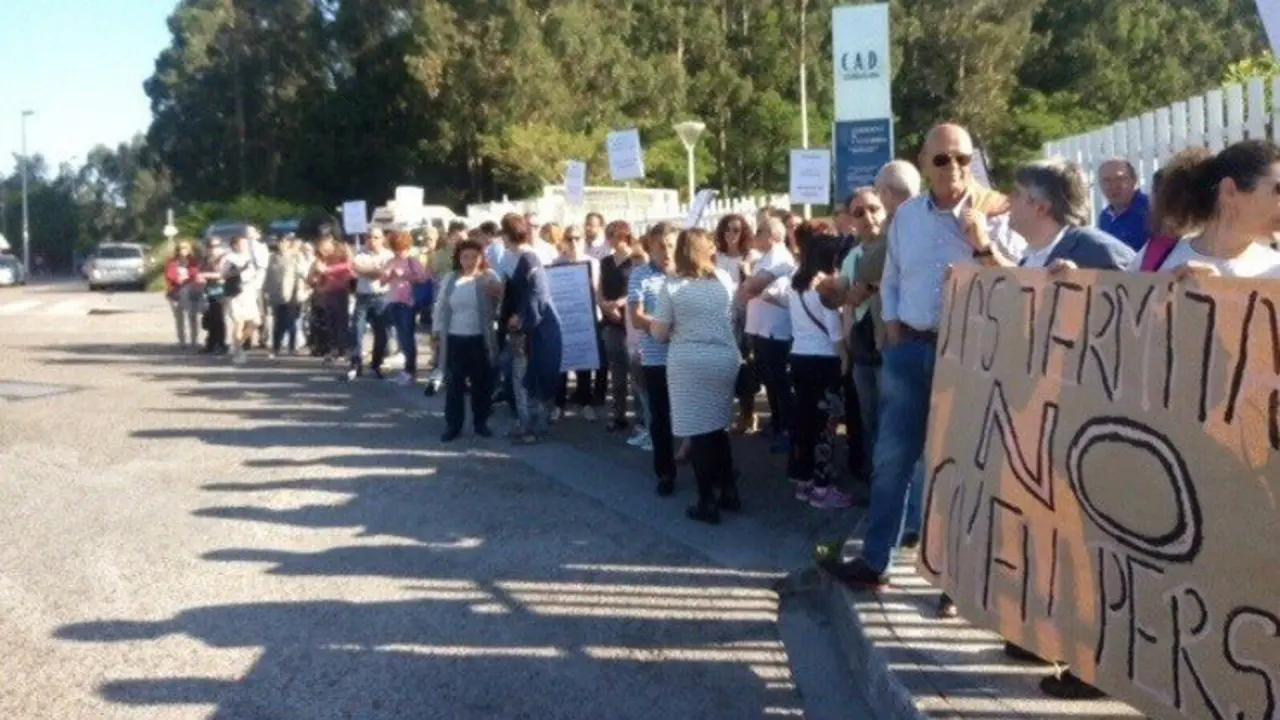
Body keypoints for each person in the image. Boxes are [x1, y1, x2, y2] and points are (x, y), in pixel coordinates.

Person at [829, 123, 1025, 590]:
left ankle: (955, 580)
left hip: (969, 356)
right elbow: (893, 276)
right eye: (942, 159)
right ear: (924, 162)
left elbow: (1020, 282)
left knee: (962, 466)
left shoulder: (996, 213)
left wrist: (981, 242)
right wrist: (894, 329)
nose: (954, 167)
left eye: (962, 157)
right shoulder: (909, 217)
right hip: (909, 349)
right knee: (893, 458)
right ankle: (877, 562)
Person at [649, 228, 742, 524]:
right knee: (717, 428)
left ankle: (706, 501)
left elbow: (660, 332)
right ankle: (729, 491)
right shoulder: (723, 280)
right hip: (724, 358)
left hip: (689, 362)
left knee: (700, 433)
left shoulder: (673, 286)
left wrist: (662, 325)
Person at [771, 227, 854, 509]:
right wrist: (845, 357)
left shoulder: (797, 286)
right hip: (824, 361)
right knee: (824, 427)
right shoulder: (826, 288)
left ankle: (803, 481)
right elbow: (834, 332)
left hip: (799, 357)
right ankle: (822, 487)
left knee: (803, 423)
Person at [1127, 140, 1280, 278]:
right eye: (1278, 190)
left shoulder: (1274, 271)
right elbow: (1117, 306)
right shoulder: (1156, 255)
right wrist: (1160, 290)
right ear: (1229, 191)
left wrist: (1223, 296)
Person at [499, 213, 564, 444]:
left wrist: (522, 318)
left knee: (526, 376)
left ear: (507, 234)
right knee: (519, 375)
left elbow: (539, 292)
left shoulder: (528, 257)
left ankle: (533, 428)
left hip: (533, 329)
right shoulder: (516, 256)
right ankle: (526, 424)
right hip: (525, 327)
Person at [738, 216, 797, 454]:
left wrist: (752, 286)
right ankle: (777, 422)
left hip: (776, 331)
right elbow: (751, 289)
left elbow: (762, 291)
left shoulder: (781, 259)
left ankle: (787, 429)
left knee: (780, 383)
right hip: (762, 329)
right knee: (770, 381)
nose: (755, 235)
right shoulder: (765, 258)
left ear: (772, 234)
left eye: (759, 231)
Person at [434, 238, 501, 441]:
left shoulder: (489, 277)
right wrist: (436, 332)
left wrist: (497, 295)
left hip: (481, 338)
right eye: (465, 257)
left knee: (482, 384)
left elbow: (501, 304)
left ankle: (481, 422)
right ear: (458, 258)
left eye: (474, 256)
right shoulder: (451, 278)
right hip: (455, 338)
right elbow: (440, 306)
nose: (470, 261)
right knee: (454, 384)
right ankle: (453, 425)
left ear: (482, 258)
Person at [629, 223, 680, 495]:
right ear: (650, 246)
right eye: (661, 246)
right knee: (660, 417)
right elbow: (636, 317)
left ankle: (707, 468)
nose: (667, 252)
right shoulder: (640, 275)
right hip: (656, 359)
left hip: (685, 358)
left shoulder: (687, 274)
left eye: (671, 245)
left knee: (692, 415)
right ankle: (665, 472)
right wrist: (664, 329)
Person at [552, 224, 603, 421]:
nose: (573, 242)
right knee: (562, 364)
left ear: (583, 240)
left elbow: (598, 291)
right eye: (570, 238)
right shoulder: (555, 264)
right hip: (563, 320)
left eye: (577, 238)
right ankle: (558, 404)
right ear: (563, 241)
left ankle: (586, 403)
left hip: (587, 318)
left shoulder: (593, 263)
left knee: (585, 362)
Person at [713, 213, 758, 435]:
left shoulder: (750, 257)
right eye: (726, 230)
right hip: (722, 317)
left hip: (746, 316)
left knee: (745, 366)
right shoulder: (715, 257)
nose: (730, 234)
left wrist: (747, 268)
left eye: (736, 230)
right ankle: (723, 415)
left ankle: (748, 413)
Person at [598, 220, 638, 433]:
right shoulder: (605, 262)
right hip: (611, 321)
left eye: (619, 234)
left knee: (636, 371)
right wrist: (605, 306)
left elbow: (640, 287)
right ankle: (618, 414)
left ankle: (641, 418)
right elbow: (599, 289)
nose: (615, 239)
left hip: (632, 319)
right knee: (617, 371)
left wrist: (619, 303)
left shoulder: (636, 260)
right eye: (611, 234)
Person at [381, 231, 429, 386]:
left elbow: (422, 278)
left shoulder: (412, 260)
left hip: (408, 303)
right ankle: (407, 369)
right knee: (401, 337)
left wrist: (404, 275)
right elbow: (382, 282)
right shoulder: (390, 261)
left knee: (407, 337)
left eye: (401, 248)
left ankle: (410, 370)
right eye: (396, 248)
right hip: (393, 301)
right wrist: (390, 276)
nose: (399, 251)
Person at [349, 228, 394, 380]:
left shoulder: (389, 255)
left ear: (382, 239)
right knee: (357, 330)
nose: (372, 240)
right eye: (369, 237)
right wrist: (375, 270)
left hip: (382, 297)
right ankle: (355, 363)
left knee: (382, 333)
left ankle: (376, 364)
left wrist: (368, 270)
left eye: (375, 237)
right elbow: (356, 269)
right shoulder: (360, 253)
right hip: (363, 297)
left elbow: (384, 273)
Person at [308, 237, 355, 365]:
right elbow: (312, 279)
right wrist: (316, 276)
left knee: (341, 322)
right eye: (321, 249)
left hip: (340, 292)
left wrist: (327, 270)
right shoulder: (321, 260)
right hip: (327, 294)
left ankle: (344, 349)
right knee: (330, 322)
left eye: (324, 248)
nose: (322, 251)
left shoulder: (342, 255)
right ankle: (333, 349)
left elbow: (349, 267)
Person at [263, 235, 311, 357]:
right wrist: (266, 291)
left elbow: (302, 273)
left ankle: (292, 347)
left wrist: (304, 288)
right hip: (277, 294)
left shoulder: (295, 257)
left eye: (284, 242)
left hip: (292, 293)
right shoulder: (272, 257)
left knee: (291, 322)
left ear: (288, 243)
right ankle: (276, 347)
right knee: (278, 322)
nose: (281, 244)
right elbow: (268, 276)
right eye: (280, 242)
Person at [221, 234, 264, 366]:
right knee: (239, 323)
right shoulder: (229, 258)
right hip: (236, 293)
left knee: (256, 322)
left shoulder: (249, 257)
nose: (244, 246)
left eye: (245, 244)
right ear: (234, 245)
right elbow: (224, 274)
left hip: (249, 292)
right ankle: (238, 351)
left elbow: (257, 272)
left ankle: (237, 344)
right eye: (241, 244)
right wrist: (239, 270)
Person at [1097, 158, 1151, 252]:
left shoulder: (1152, 210)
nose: (1113, 186)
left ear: (1134, 180)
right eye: (1106, 180)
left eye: (1120, 179)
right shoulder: (1105, 217)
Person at [164, 240, 202, 349]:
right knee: (179, 317)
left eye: (185, 248)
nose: (183, 250)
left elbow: (196, 274)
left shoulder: (193, 261)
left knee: (193, 316)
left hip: (191, 291)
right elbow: (169, 276)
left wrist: (190, 281)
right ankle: (182, 342)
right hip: (175, 292)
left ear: (189, 249)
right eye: (180, 248)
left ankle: (194, 341)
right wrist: (178, 280)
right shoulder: (172, 262)